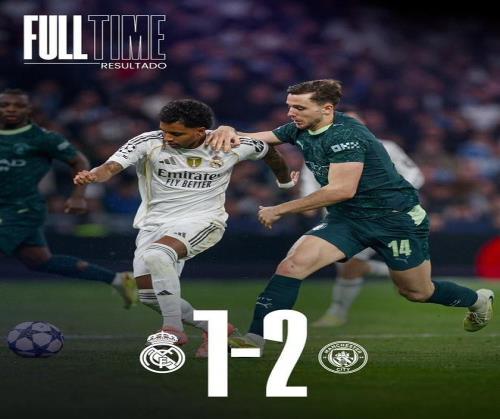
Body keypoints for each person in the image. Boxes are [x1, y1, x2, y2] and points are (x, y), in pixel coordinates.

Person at [207, 79, 494, 352]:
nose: (291, 113)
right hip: (347, 219)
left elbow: (342, 190)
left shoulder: (346, 136)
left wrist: (280, 209)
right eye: (290, 106)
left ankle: (477, 300)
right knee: (292, 266)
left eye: (299, 107)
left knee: (417, 292)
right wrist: (228, 130)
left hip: (395, 220)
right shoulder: (302, 126)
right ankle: (254, 339)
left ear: (326, 109)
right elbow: (260, 138)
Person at [74, 98, 295, 357]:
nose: (168, 137)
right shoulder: (148, 142)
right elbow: (111, 166)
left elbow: (269, 151)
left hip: (203, 220)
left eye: (176, 133)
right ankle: (214, 328)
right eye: (164, 130)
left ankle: (172, 329)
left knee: (158, 255)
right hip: (154, 224)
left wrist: (285, 183)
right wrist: (93, 175)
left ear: (200, 131)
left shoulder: (228, 144)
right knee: (149, 296)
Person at [0, 89, 137, 308]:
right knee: (40, 260)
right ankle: (118, 280)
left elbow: (79, 161)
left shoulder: (43, 138)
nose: (11, 110)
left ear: (28, 110)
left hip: (21, 210)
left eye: (18, 105)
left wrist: (78, 195)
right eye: (5, 105)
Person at [305, 110, 425, 327]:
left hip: (383, 216)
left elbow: (415, 174)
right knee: (347, 265)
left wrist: (395, 196)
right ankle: (393, 272)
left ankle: (337, 313)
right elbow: (309, 183)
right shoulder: (317, 151)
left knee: (350, 264)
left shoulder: (385, 147)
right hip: (340, 218)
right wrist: (307, 202)